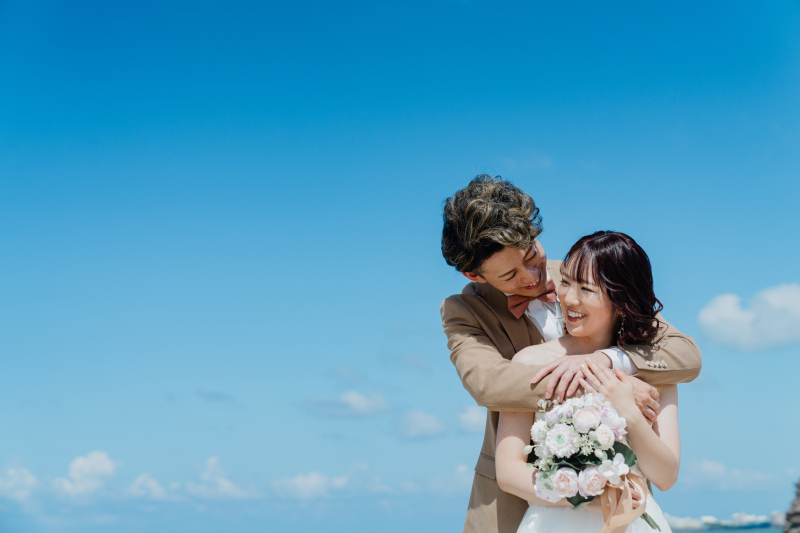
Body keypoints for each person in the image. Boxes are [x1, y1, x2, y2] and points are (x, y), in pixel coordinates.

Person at [440, 175, 701, 533]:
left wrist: (607, 361)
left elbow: (682, 352)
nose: (532, 277)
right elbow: (489, 384)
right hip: (515, 507)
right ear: (475, 275)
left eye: (532, 255)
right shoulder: (464, 310)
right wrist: (607, 387)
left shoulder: (587, 273)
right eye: (510, 274)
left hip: (624, 505)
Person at [495, 231, 679, 532]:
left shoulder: (652, 366)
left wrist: (629, 412)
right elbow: (508, 472)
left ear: (622, 299)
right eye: (566, 282)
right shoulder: (530, 361)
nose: (569, 298)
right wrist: (589, 496)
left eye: (586, 289)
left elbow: (666, 476)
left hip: (634, 520)